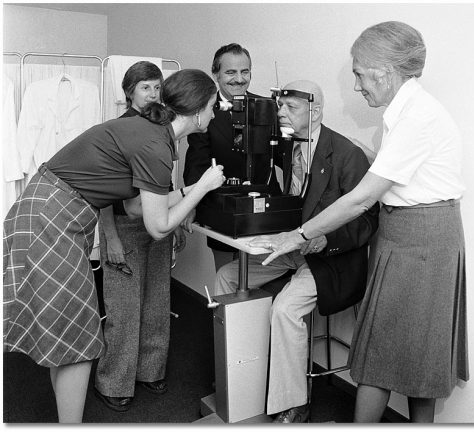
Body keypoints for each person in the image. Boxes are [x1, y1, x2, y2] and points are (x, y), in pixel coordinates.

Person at [249, 21, 469, 423]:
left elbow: (363, 198)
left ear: (383, 71)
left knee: (398, 352)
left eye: (359, 74)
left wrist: (298, 234)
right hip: (404, 233)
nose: (356, 85)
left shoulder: (416, 116)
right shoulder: (403, 112)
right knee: (398, 350)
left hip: (422, 239)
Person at [3, 68, 225, 423]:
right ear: (197, 110)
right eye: (214, 106)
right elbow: (158, 227)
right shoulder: (156, 143)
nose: (216, 113)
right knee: (77, 334)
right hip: (50, 219)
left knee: (65, 328)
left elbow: (138, 207)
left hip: (50, 214)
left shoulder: (152, 133)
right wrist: (201, 188)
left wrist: (184, 191)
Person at [214, 80, 379, 422]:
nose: (281, 113)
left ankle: (294, 403)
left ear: (315, 111)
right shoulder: (289, 146)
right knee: (227, 276)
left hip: (332, 256)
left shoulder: (346, 154)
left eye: (291, 107)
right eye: (280, 106)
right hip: (295, 248)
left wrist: (323, 239)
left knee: (286, 309)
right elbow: (290, 201)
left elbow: (367, 220)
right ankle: (242, 374)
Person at [94, 61, 186, 412]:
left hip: (157, 222)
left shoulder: (163, 129)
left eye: (157, 86)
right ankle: (114, 380)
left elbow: (164, 184)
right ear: (129, 91)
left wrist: (174, 223)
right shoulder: (117, 130)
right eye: (145, 87)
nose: (153, 93)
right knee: (124, 306)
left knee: (157, 301)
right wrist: (111, 238)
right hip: (124, 225)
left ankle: (150, 371)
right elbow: (103, 191)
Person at [183, 43, 272, 271]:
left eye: (245, 71)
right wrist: (191, 204)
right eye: (230, 72)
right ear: (216, 74)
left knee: (264, 279)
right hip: (221, 210)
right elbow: (196, 164)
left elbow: (283, 157)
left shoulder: (266, 107)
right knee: (227, 278)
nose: (239, 79)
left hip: (264, 211)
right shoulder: (204, 112)